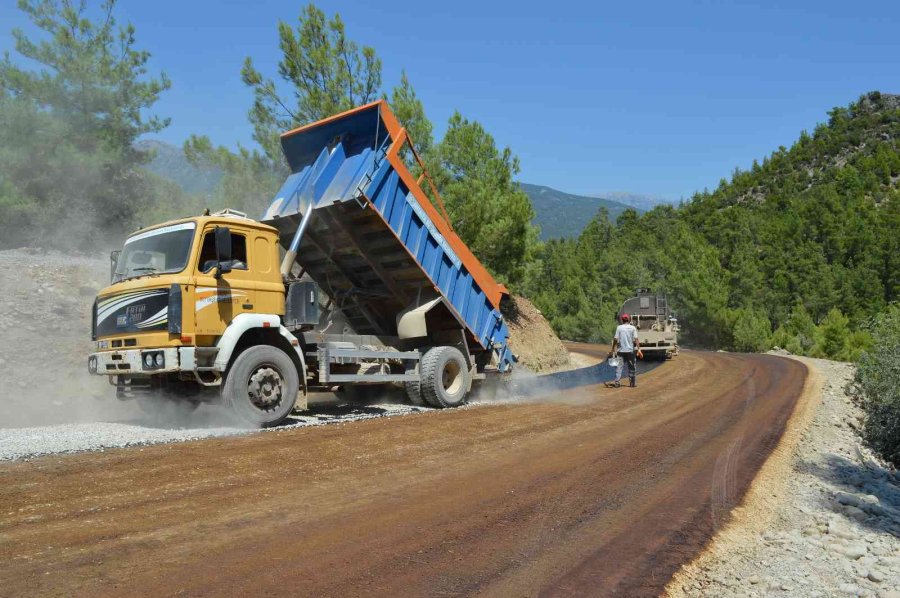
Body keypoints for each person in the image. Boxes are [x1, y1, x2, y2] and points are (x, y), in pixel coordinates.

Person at [609, 313, 642, 388]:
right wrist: (639, 349)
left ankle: (617, 382)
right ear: (629, 319)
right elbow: (636, 339)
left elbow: (615, 339)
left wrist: (612, 348)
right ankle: (632, 383)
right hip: (630, 351)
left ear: (622, 320)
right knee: (632, 367)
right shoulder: (633, 328)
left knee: (619, 366)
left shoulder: (619, 328)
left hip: (621, 351)